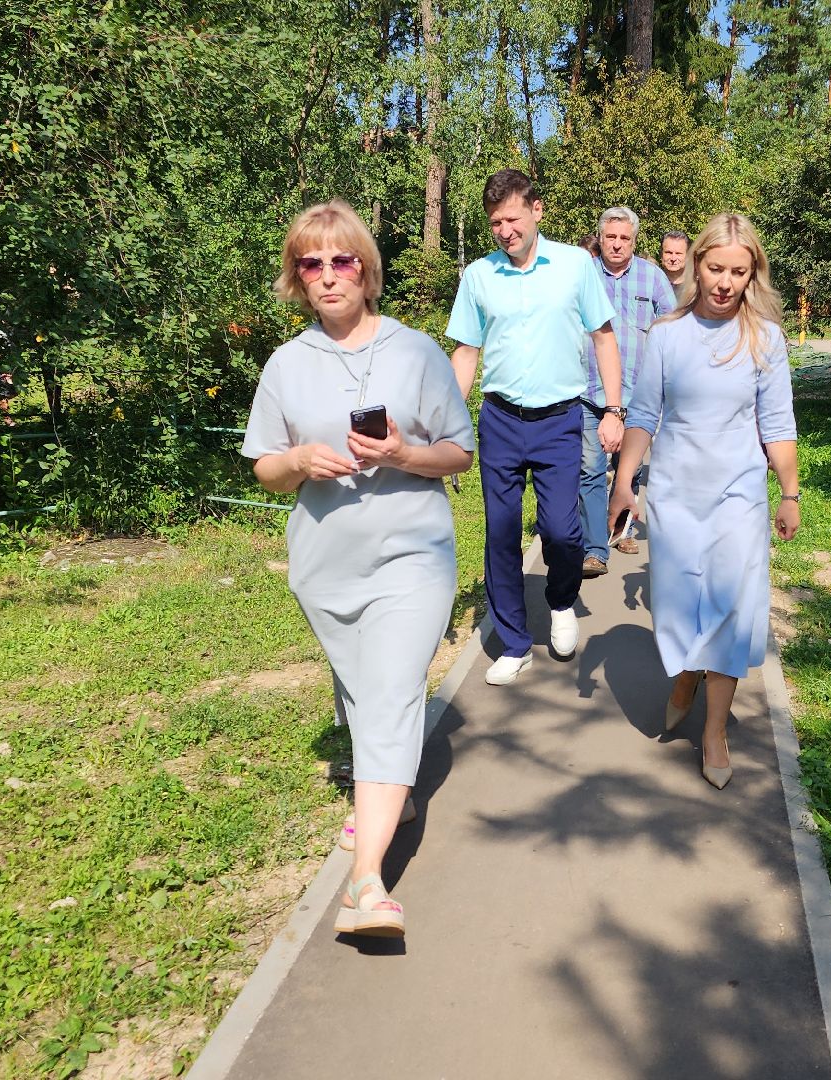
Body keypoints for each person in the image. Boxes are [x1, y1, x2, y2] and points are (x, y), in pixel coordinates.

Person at [242, 200, 475, 938]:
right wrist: (299, 461)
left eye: (342, 260)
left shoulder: (417, 352)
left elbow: (459, 452)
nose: (327, 275)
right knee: (367, 696)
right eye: (311, 263)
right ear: (297, 277)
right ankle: (391, 789)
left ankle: (365, 884)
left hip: (412, 553)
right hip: (326, 566)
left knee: (393, 690)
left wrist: (404, 454)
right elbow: (263, 468)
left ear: (367, 270)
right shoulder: (286, 364)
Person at [608, 212, 799, 791]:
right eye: (716, 268)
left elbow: (778, 422)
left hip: (738, 496)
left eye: (738, 272)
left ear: (752, 275)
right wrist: (624, 482)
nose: (725, 282)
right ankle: (685, 673)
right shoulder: (665, 335)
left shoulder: (765, 339)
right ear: (697, 265)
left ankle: (714, 730)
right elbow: (642, 415)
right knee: (676, 603)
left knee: (731, 609)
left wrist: (789, 492)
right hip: (674, 496)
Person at [447, 170, 625, 685]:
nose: (504, 230)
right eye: (495, 222)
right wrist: (447, 417)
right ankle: (516, 643)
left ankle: (562, 600)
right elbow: (466, 351)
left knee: (561, 529)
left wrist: (613, 410)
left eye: (512, 218)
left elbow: (604, 337)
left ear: (537, 210)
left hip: (560, 419)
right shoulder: (479, 276)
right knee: (500, 533)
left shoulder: (574, 265)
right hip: (500, 419)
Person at [580, 207, 673, 577]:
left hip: (639, 393)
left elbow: (673, 324)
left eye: (625, 238)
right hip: (589, 390)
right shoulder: (583, 275)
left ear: (634, 241)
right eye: (611, 237)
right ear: (600, 238)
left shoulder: (652, 278)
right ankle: (594, 549)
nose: (617, 244)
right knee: (590, 468)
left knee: (627, 468)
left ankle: (622, 528)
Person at [658, 231, 691, 302]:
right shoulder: (653, 283)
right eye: (668, 253)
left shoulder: (697, 288)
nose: (673, 258)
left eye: (678, 253)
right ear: (661, 254)